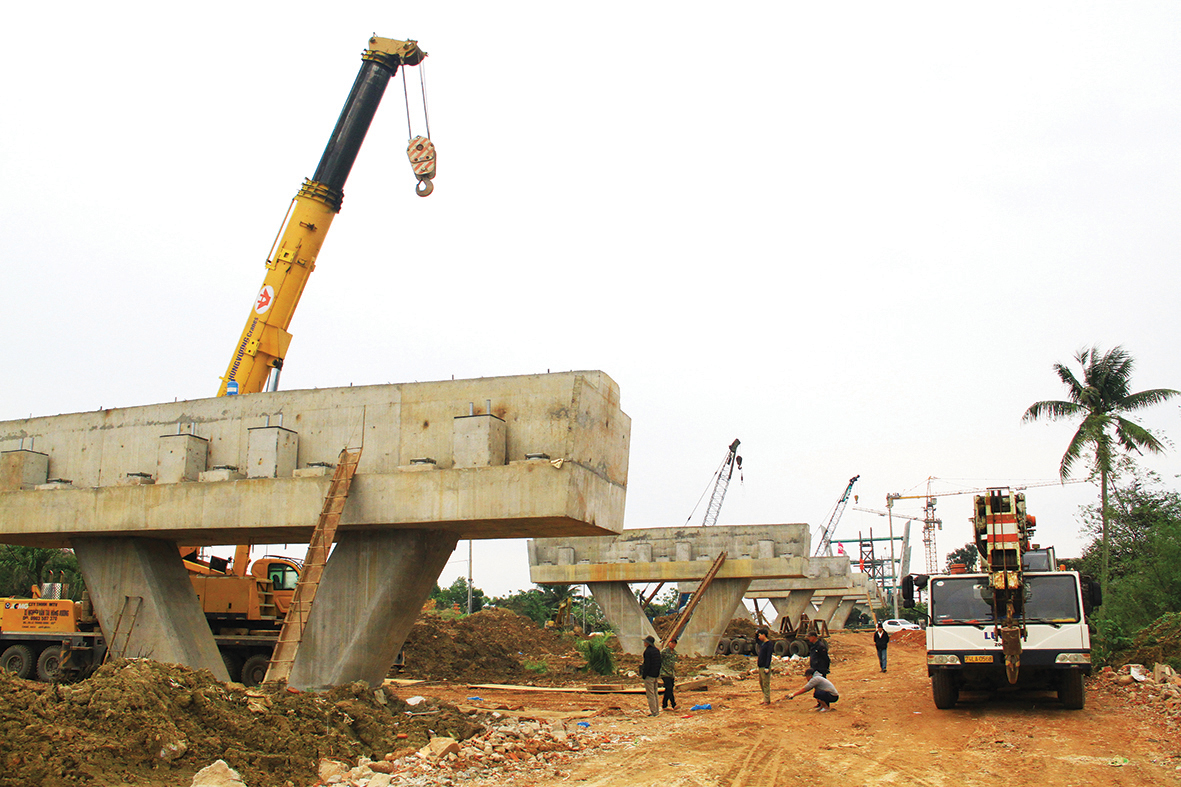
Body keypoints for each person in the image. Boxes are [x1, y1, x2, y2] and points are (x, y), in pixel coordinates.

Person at [641, 635, 662, 716]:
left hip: (649, 675)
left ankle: (653, 712)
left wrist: (644, 675)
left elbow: (647, 665)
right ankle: (657, 710)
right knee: (655, 693)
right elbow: (659, 663)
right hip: (655, 674)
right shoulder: (657, 651)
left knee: (650, 694)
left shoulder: (647, 652)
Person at [660, 636, 679, 710]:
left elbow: (674, 663)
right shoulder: (664, 651)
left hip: (671, 673)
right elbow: (659, 660)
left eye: (674, 644)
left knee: (669, 689)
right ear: (669, 643)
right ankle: (673, 704)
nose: (673, 645)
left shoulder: (675, 653)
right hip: (664, 672)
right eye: (672, 643)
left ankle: (664, 704)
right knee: (669, 687)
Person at [755, 628, 774, 704]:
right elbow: (757, 641)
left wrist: (767, 667)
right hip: (760, 666)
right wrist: (756, 633)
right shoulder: (762, 643)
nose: (759, 637)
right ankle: (765, 698)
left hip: (764, 667)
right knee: (761, 683)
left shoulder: (769, 644)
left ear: (764, 635)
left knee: (766, 683)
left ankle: (767, 700)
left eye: (760, 635)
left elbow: (769, 656)